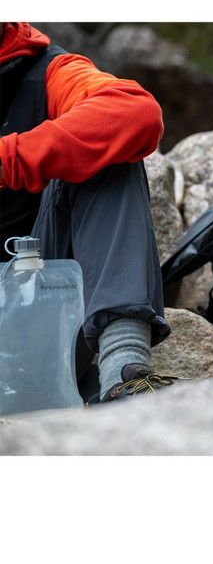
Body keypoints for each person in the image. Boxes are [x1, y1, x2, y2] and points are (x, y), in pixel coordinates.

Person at [0, 22, 174, 402]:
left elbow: (137, 112)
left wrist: (9, 159)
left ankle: (123, 372)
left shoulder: (48, 71)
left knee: (109, 143)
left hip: (40, 327)